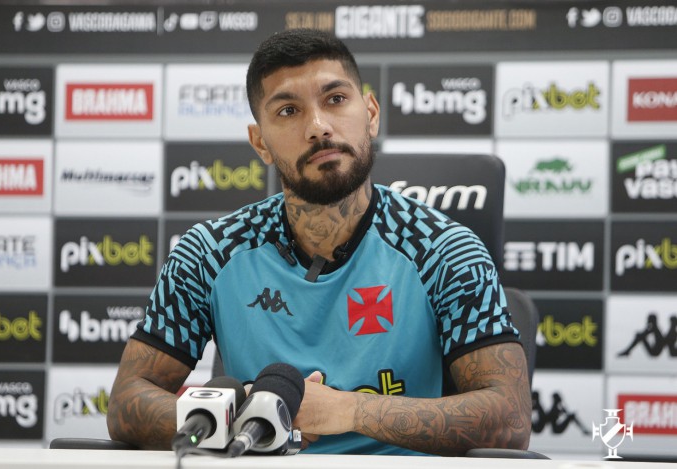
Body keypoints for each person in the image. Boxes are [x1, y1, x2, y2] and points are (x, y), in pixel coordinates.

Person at [107, 28, 531, 456]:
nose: (318, 127)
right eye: (288, 110)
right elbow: (126, 402)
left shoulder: (445, 250)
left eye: (336, 99)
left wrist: (347, 410)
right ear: (260, 143)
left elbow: (510, 419)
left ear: (371, 113)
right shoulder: (209, 253)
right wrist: (238, 417)